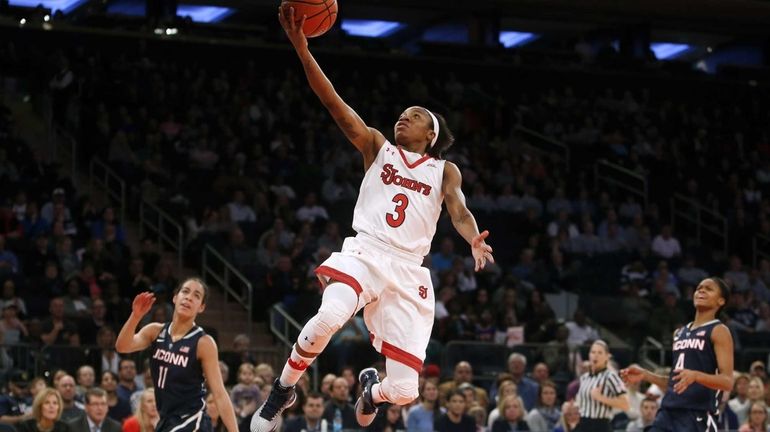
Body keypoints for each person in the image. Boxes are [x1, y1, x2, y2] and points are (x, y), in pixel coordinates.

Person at [252, 5, 495, 432]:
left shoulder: (444, 171)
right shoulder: (377, 146)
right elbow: (331, 101)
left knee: (405, 391)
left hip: (408, 271)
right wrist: (302, 48)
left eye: (416, 115)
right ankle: (283, 390)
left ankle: (371, 392)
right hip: (366, 251)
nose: (405, 116)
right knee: (328, 318)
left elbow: (459, 210)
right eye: (404, 112)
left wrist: (473, 238)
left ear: (431, 136)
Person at [115, 279, 239, 432]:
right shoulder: (155, 331)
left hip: (193, 420)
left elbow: (219, 393)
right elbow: (122, 346)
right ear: (175, 297)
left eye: (196, 295)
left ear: (201, 307)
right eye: (185, 291)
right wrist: (135, 316)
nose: (188, 297)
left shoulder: (203, 342)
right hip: (167, 419)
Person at [621, 277, 734, 432]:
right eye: (699, 287)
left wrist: (696, 376)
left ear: (721, 301)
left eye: (708, 288)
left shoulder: (718, 330)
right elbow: (676, 383)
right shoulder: (679, 333)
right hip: (667, 412)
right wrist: (646, 376)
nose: (701, 290)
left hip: (696, 415)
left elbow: (727, 382)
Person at [575, 340, 629, 432]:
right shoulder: (584, 377)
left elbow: (625, 404)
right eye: (593, 352)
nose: (595, 355)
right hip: (582, 423)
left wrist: (600, 397)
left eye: (600, 352)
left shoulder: (611, 376)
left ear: (607, 357)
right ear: (589, 355)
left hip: (600, 425)